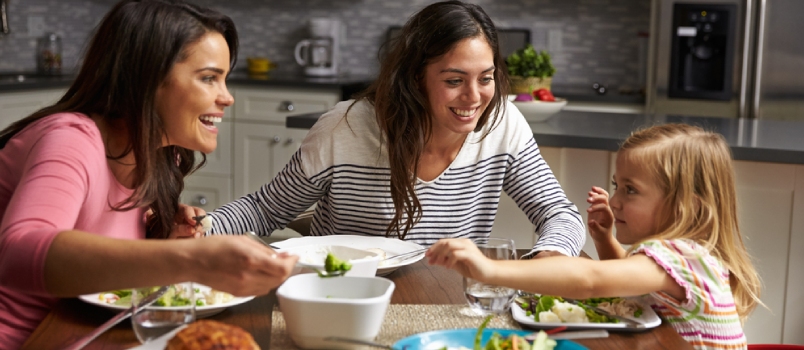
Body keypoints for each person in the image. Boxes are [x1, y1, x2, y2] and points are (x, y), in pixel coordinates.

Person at [0, 0, 297, 347]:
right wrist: (191, 260)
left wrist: (162, 235)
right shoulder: (71, 139)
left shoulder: (158, 155)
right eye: (208, 78)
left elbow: (106, 255)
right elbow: (18, 251)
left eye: (225, 80)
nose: (227, 97)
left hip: (95, 333)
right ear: (148, 79)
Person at [206, 0, 585, 259]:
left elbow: (560, 214)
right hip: (343, 294)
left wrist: (549, 254)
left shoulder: (503, 123)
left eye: (485, 78)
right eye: (454, 80)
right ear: (415, 79)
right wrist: (197, 229)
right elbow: (262, 210)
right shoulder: (345, 128)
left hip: (447, 298)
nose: (474, 97)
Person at [427, 123, 763, 349]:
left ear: (684, 206)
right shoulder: (685, 256)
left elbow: (591, 279)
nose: (615, 200)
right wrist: (605, 240)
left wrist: (490, 270)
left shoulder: (684, 258)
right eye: (618, 186)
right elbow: (630, 285)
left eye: (631, 190)